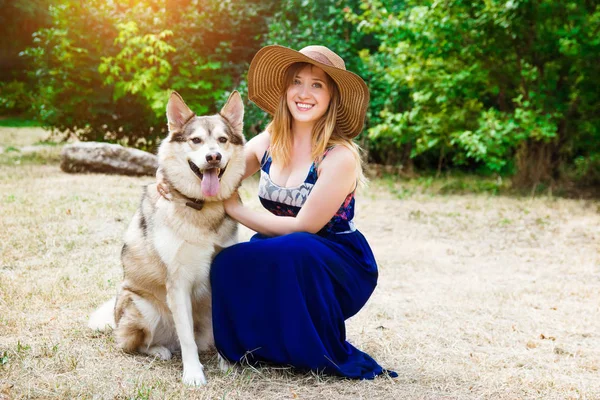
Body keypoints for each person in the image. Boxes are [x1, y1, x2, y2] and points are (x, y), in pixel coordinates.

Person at [161, 45, 396, 379]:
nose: (303, 93)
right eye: (296, 82)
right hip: (282, 249)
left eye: (317, 85)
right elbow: (221, 168)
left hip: (336, 261)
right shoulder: (272, 137)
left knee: (296, 246)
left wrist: (235, 209)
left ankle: (312, 346)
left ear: (332, 97)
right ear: (285, 89)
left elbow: (305, 226)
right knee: (227, 262)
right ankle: (252, 347)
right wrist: (167, 178)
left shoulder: (340, 156)